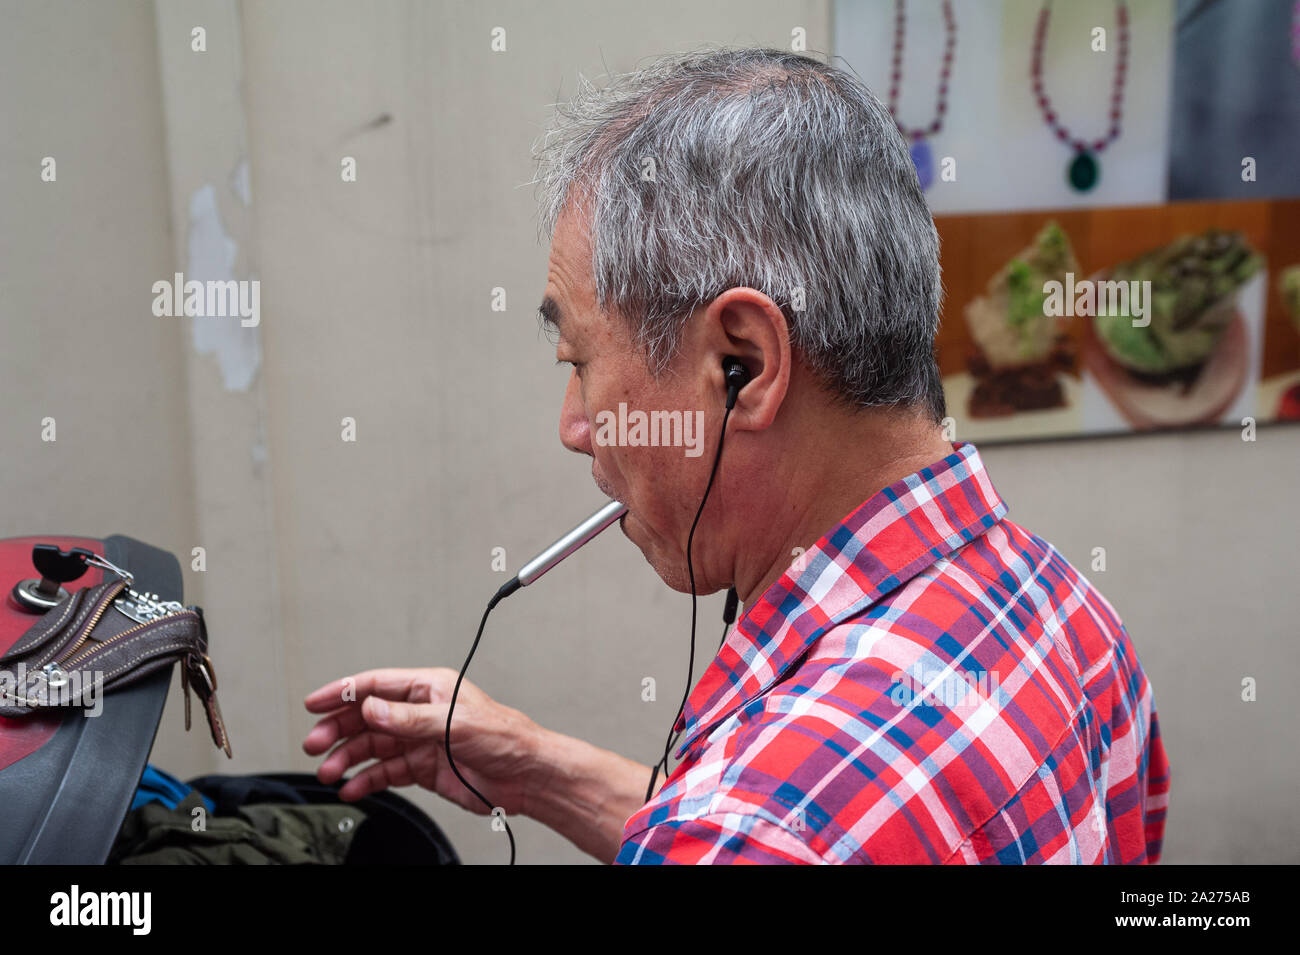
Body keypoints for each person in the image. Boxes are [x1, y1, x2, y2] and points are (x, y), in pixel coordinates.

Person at [302, 48, 1170, 864]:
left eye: (578, 363)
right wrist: (535, 768)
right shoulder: (1071, 614)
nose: (573, 425)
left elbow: (762, 829)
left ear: (743, 365)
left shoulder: (744, 829)